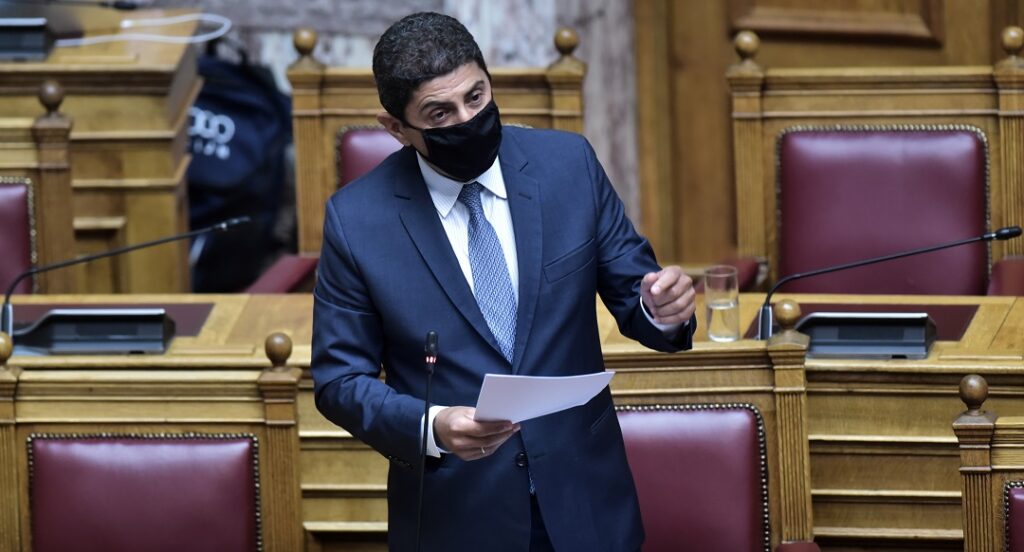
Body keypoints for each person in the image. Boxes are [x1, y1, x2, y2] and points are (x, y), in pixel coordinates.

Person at [311, 11, 697, 552]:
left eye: (476, 97)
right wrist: (432, 425)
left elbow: (637, 291)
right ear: (396, 128)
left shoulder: (569, 166)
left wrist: (663, 309)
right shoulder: (357, 221)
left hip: (585, 498)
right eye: (440, 113)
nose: (467, 119)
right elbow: (339, 381)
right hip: (458, 515)